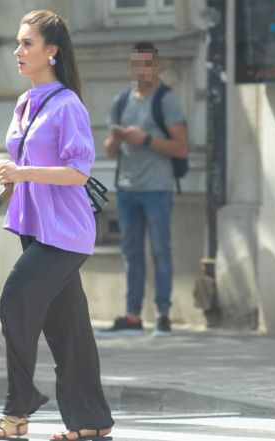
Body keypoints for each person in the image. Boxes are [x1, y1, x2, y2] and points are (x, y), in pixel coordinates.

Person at [0, 10, 113, 441]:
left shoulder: (68, 105)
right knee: (69, 330)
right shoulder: (25, 102)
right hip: (35, 227)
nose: (17, 51)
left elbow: (78, 172)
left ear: (52, 52)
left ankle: (17, 412)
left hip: (65, 233)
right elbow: (26, 162)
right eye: (18, 42)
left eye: (27, 43)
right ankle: (92, 421)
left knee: (15, 301)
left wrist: (22, 172)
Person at [102, 41, 189, 337]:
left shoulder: (166, 100)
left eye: (147, 65)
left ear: (157, 66)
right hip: (127, 188)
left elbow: (181, 148)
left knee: (161, 252)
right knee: (131, 253)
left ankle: (163, 316)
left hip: (157, 188)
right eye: (136, 65)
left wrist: (146, 139)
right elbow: (109, 151)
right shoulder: (121, 100)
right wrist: (116, 139)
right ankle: (132, 316)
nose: (141, 70)